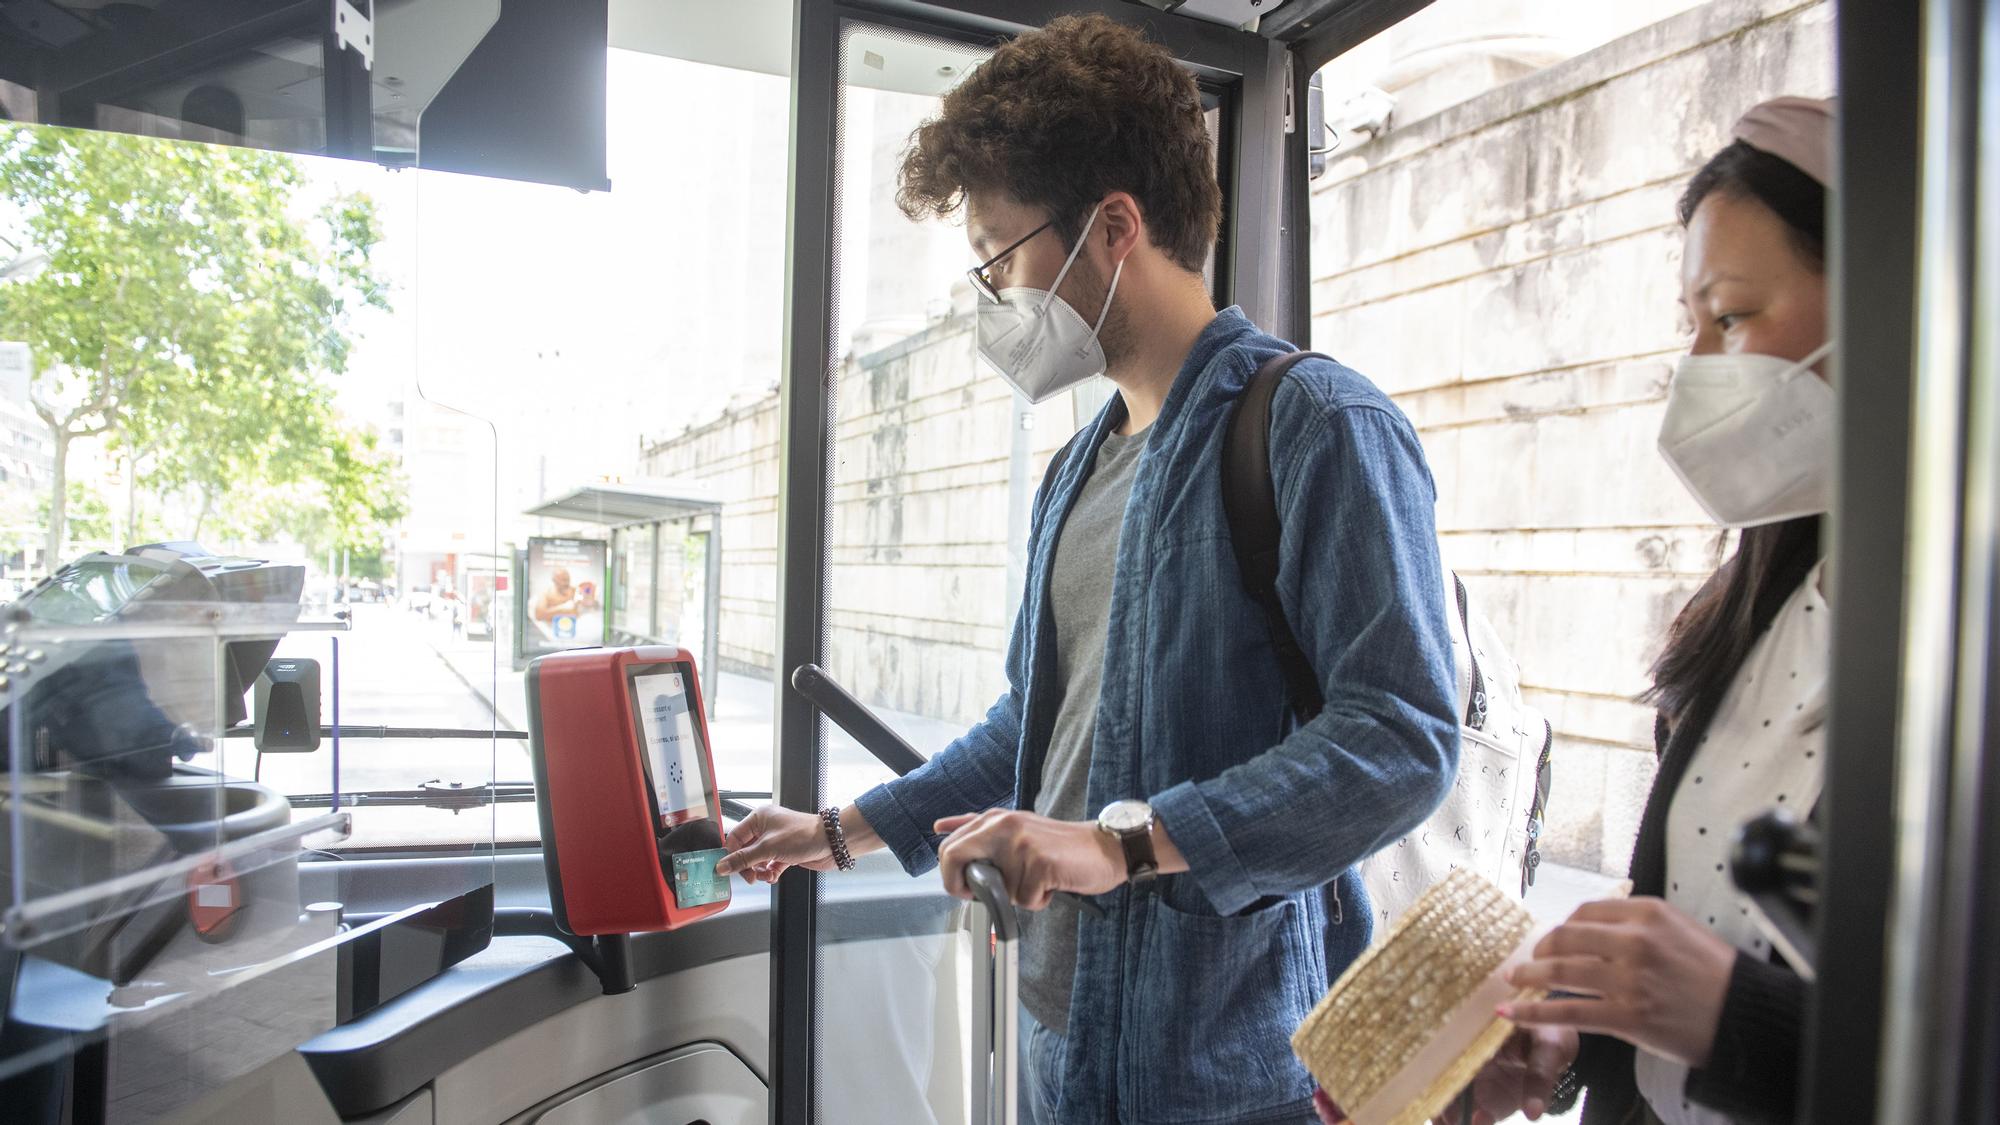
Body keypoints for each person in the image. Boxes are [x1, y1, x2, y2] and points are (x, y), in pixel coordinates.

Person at [717, 15, 1460, 1124]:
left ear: (1113, 226)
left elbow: (1400, 739)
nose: (995, 295)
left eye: (1002, 254)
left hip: (1223, 1065)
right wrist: (838, 832)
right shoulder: (1075, 467)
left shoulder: (1315, 426)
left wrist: (1121, 844)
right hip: (1062, 1032)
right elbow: (1035, 727)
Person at [1434, 96, 1837, 1125]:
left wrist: (1724, 1016)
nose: (1695, 371)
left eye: (1734, 316)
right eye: (1687, 325)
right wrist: (1583, 1021)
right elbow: (1747, 895)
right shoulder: (1761, 601)